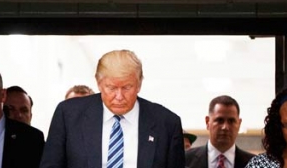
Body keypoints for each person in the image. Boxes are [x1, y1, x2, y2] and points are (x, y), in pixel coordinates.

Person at [41, 49, 186, 168]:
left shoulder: (166, 123)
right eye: (111, 88)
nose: (119, 96)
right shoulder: (69, 115)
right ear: (98, 83)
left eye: (127, 87)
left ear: (139, 84)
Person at [185, 95, 255, 168]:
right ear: (207, 122)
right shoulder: (184, 160)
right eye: (219, 120)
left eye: (231, 121)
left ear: (239, 123)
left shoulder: (255, 164)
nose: (225, 127)